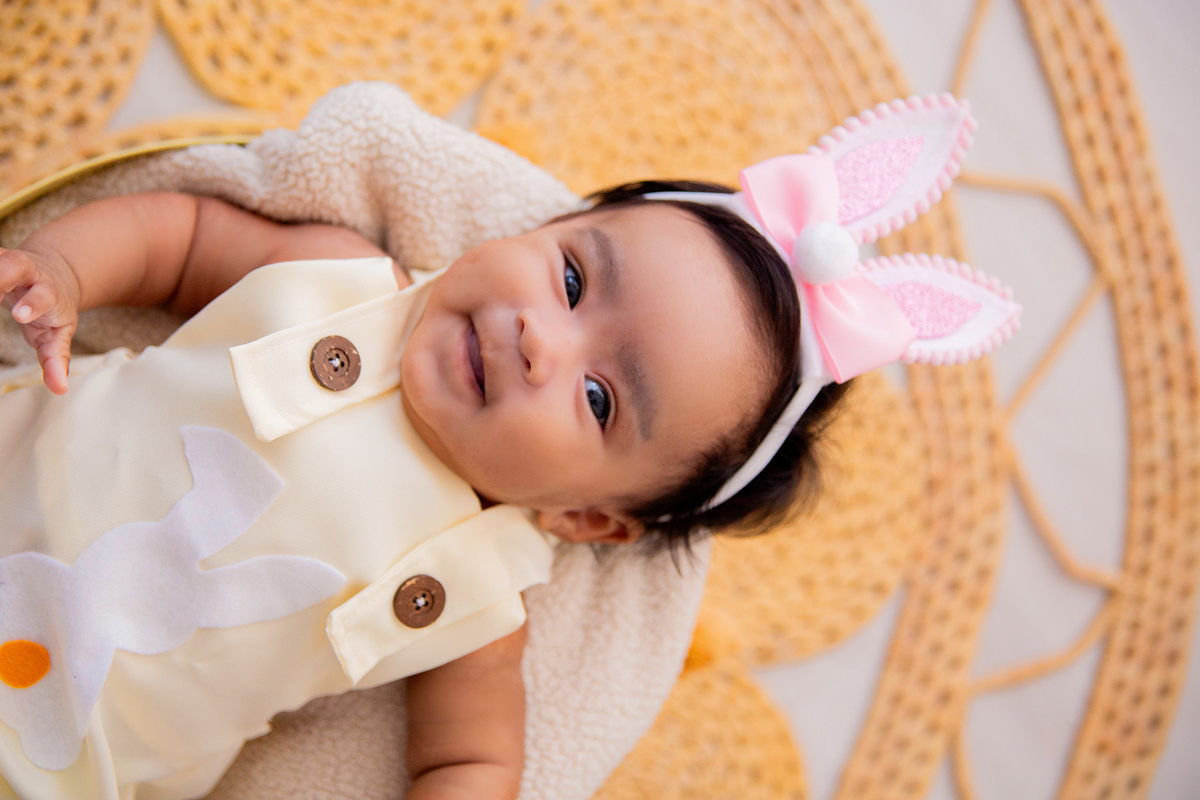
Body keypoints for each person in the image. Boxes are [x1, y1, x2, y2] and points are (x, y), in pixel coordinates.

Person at [0, 93, 1018, 800]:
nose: (542, 336)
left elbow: (470, 760)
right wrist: (64, 267)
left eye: (597, 396)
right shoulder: (341, 274)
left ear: (586, 517)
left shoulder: (477, 593)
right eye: (572, 280)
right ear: (549, 227)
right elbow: (176, 239)